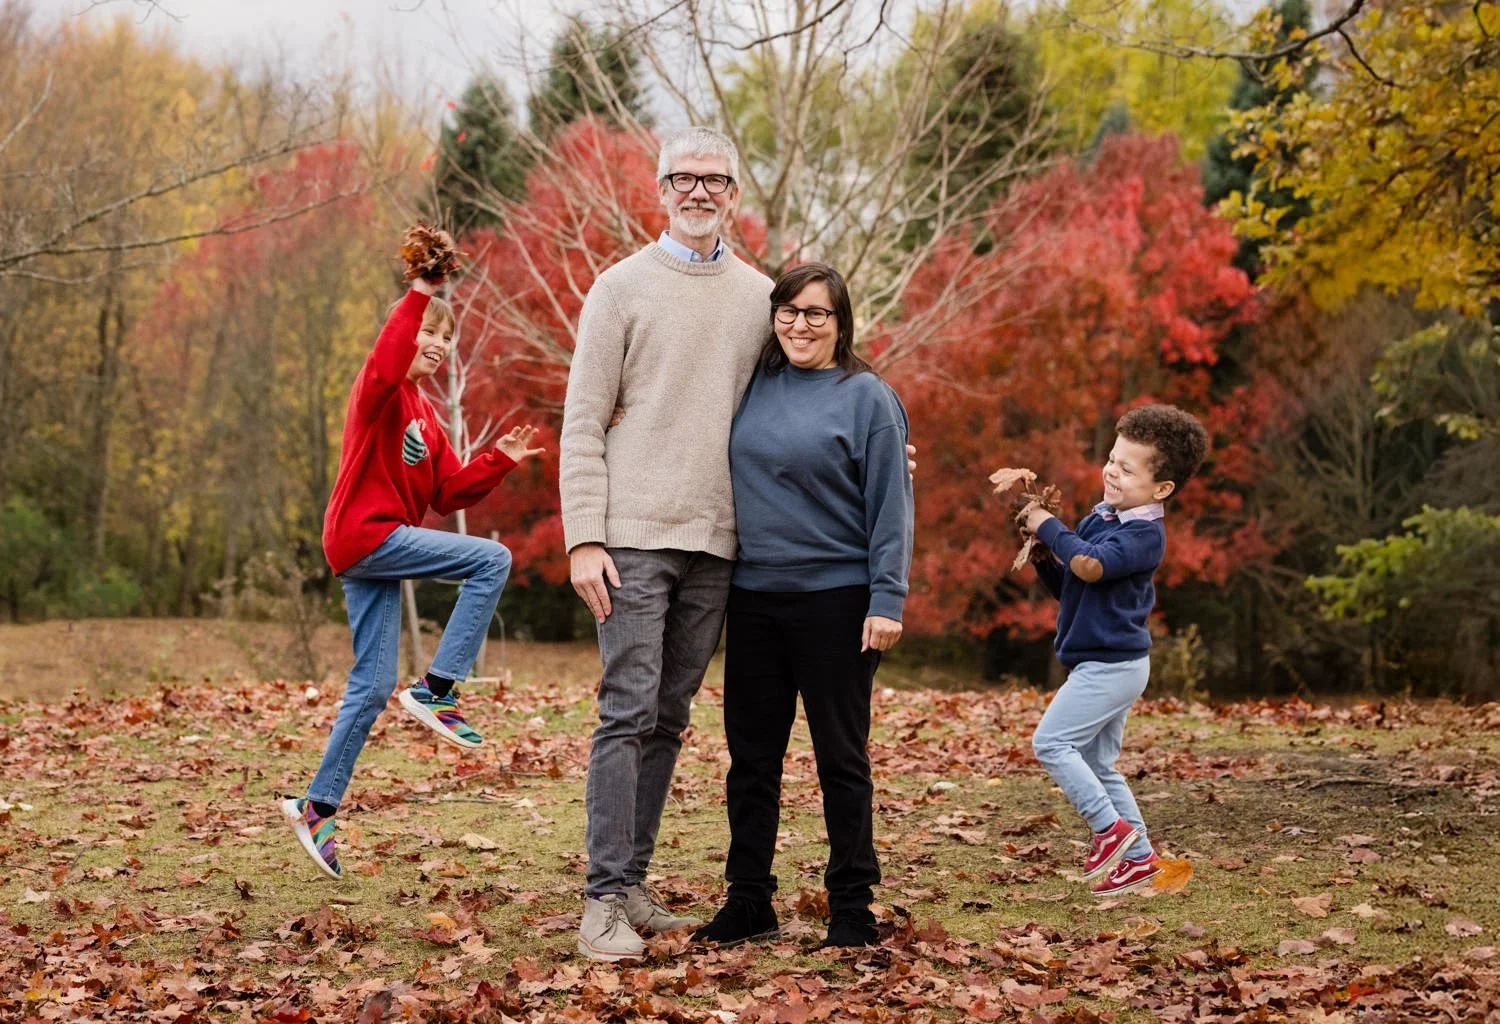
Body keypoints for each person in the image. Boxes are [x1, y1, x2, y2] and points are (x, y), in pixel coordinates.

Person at [560, 126, 776, 961]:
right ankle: (601, 900)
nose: (698, 192)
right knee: (628, 707)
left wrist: (871, 441)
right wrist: (584, 538)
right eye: (683, 178)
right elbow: (582, 422)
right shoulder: (618, 289)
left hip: (719, 540)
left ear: (733, 193)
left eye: (714, 180)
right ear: (659, 190)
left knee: (672, 715)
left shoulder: (759, 298)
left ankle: (632, 880)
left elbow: (801, 395)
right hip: (632, 537)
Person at [282, 265, 545, 881]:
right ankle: (439, 687)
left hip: (378, 549)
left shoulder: (427, 414)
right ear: (406, 334)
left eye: (447, 336)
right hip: (364, 535)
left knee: (372, 687)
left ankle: (316, 806)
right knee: (493, 559)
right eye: (429, 330)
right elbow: (385, 355)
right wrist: (421, 291)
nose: (438, 342)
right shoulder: (379, 391)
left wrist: (496, 462)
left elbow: (448, 492)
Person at [692, 262, 913, 950]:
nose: (800, 325)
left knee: (839, 760)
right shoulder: (752, 385)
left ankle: (852, 907)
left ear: (841, 323)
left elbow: (891, 506)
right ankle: (749, 899)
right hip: (754, 599)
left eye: (817, 313)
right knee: (750, 759)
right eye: (789, 310)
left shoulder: (867, 397)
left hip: (839, 604)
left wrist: (888, 596)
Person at [1021, 404, 1208, 896]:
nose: (1111, 471)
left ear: (1161, 488)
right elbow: (1072, 585)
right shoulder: (1101, 518)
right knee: (1100, 764)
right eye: (1111, 459)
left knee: (1052, 744)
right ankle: (1142, 860)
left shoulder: (1144, 534)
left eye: (1127, 469)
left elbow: (1089, 566)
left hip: (1112, 666)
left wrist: (1047, 524)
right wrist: (1045, 556)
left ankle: (1111, 832)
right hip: (1106, 663)